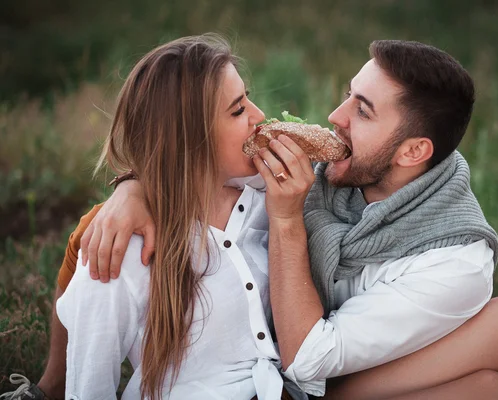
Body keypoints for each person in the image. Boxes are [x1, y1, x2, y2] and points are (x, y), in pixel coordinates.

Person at [4, 40, 498, 400]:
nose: (333, 119)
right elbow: (168, 179)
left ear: (414, 152)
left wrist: (287, 221)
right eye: (240, 108)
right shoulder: (281, 184)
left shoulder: (450, 260)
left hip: (322, 372)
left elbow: (312, 359)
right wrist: (131, 188)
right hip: (316, 377)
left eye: (361, 111)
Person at [1, 34, 306, 400]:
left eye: (247, 99)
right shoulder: (125, 255)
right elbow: (88, 390)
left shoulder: (269, 192)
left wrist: (131, 186)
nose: (259, 117)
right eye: (238, 110)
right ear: (189, 137)